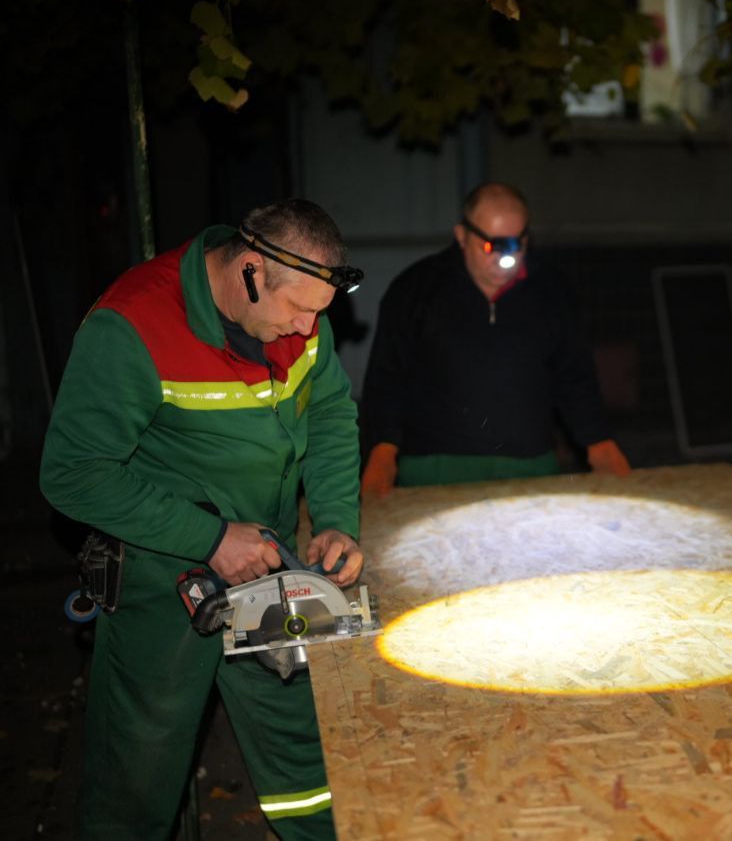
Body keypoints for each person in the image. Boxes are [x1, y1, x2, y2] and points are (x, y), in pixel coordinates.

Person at [40, 198, 365, 840]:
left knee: (304, 761)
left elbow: (329, 414)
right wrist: (210, 538)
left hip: (270, 567)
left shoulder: (302, 317)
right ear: (250, 270)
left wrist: (333, 518)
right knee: (136, 780)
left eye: (320, 313)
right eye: (298, 309)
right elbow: (72, 473)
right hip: (163, 582)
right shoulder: (131, 326)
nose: (308, 327)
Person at [359, 182, 630, 495]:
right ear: (462, 235)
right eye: (492, 246)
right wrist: (381, 453)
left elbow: (575, 376)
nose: (505, 258)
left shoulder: (551, 291)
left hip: (529, 466)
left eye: (516, 244)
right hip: (433, 469)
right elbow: (387, 379)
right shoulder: (415, 290)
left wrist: (599, 443)